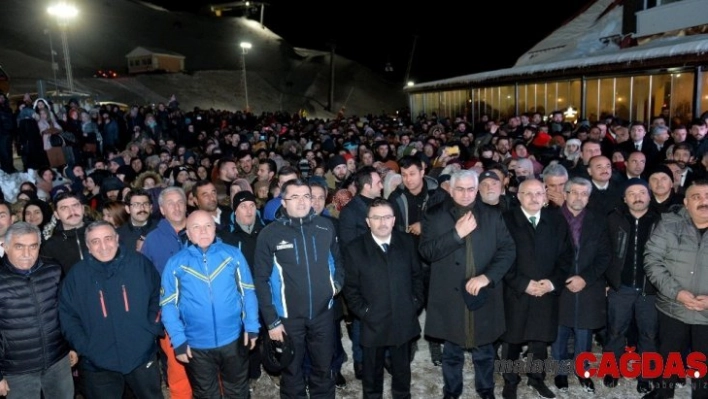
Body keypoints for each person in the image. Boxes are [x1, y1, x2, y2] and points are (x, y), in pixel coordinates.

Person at [419, 170, 516, 399]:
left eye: (470, 189)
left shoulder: (493, 215)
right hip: (450, 295)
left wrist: (487, 277)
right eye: (460, 189)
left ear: (478, 189)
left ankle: (486, 390)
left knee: (484, 350)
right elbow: (426, 252)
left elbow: (508, 250)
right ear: (450, 190)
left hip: (483, 292)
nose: (465, 194)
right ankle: (451, 392)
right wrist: (456, 234)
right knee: (452, 351)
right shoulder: (434, 215)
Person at [254, 179, 344, 398]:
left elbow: (338, 262)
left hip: (322, 314)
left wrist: (334, 287)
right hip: (287, 318)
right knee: (292, 373)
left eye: (306, 196)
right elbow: (260, 280)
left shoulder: (326, 227)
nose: (302, 202)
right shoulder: (270, 234)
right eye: (294, 197)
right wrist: (272, 321)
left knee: (324, 369)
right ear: (284, 202)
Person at [58, 221, 163, 399]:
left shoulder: (139, 264)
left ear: (116, 239)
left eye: (108, 238)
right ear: (88, 246)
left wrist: (151, 329)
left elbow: (158, 296)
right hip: (97, 364)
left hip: (140, 356)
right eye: (96, 241)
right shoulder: (76, 276)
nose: (103, 246)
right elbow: (67, 316)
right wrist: (85, 346)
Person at [161, 210, 260, 398]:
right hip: (196, 345)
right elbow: (168, 305)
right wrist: (179, 340)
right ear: (187, 233)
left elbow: (247, 291)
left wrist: (252, 325)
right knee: (206, 393)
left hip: (233, 339)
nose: (203, 232)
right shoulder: (176, 264)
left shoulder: (232, 255)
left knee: (237, 390)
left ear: (215, 228)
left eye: (208, 226)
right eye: (196, 227)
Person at [500, 179, 575, 399]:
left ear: (545, 197)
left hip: (546, 292)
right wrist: (523, 284)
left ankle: (536, 379)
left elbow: (566, 257)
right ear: (519, 196)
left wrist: (551, 283)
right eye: (529, 193)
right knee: (511, 342)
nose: (534, 198)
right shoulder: (506, 220)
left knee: (540, 342)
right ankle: (510, 381)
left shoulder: (557, 221)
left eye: (539, 193)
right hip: (516, 292)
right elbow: (500, 257)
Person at [343, 198, 424, 399]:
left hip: (402, 319)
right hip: (372, 323)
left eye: (387, 217)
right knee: (371, 375)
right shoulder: (355, 249)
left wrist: (414, 303)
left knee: (402, 373)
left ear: (394, 219)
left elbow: (418, 276)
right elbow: (350, 289)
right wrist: (365, 312)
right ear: (368, 221)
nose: (382, 222)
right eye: (376, 218)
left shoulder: (406, 242)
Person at [642, 180, 708, 399]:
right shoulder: (669, 225)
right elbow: (652, 261)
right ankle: (663, 394)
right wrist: (678, 292)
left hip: (706, 314)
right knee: (668, 361)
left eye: (707, 195)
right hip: (673, 307)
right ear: (686, 203)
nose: (703, 201)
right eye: (696, 197)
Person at [0, 222, 76, 398]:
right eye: (19, 247)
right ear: (6, 247)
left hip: (58, 360)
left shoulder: (53, 270)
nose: (27, 254)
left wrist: (71, 346)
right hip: (17, 370)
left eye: (33, 246)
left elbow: (66, 313)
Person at [551, 177, 611, 393]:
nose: (579, 197)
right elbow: (546, 255)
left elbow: (605, 256)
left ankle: (582, 371)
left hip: (589, 284)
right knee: (559, 331)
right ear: (565, 194)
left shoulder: (598, 220)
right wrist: (564, 278)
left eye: (584, 194)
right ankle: (560, 372)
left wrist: (584, 278)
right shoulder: (551, 218)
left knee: (584, 333)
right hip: (560, 284)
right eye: (574, 192)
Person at [604, 178, 661, 393]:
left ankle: (646, 375)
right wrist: (607, 281)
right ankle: (612, 368)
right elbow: (605, 252)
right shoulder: (614, 219)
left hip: (651, 289)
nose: (637, 197)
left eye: (642, 192)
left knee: (649, 334)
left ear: (649, 196)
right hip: (621, 287)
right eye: (632, 193)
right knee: (616, 330)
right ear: (624, 198)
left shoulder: (660, 220)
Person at [140, 187, 192, 399]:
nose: (176, 206)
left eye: (179, 201)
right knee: (178, 367)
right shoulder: (152, 240)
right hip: (171, 315)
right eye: (170, 203)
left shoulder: (202, 229)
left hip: (204, 311)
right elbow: (145, 281)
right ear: (161, 209)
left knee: (211, 363)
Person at [338, 165, 383, 377]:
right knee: (361, 319)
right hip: (361, 275)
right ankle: (360, 361)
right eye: (378, 183)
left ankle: (384, 358)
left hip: (383, 271)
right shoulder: (350, 211)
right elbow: (348, 246)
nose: (382, 185)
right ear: (366, 186)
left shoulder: (382, 206)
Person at [40, 192, 91, 274]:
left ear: (82, 208)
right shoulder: (50, 246)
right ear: (57, 215)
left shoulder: (100, 234)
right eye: (64, 208)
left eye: (75, 205)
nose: (71, 211)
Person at [117, 188, 157, 253]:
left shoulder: (161, 229)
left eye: (145, 204)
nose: (142, 208)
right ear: (127, 209)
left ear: (151, 207)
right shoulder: (119, 234)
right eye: (136, 204)